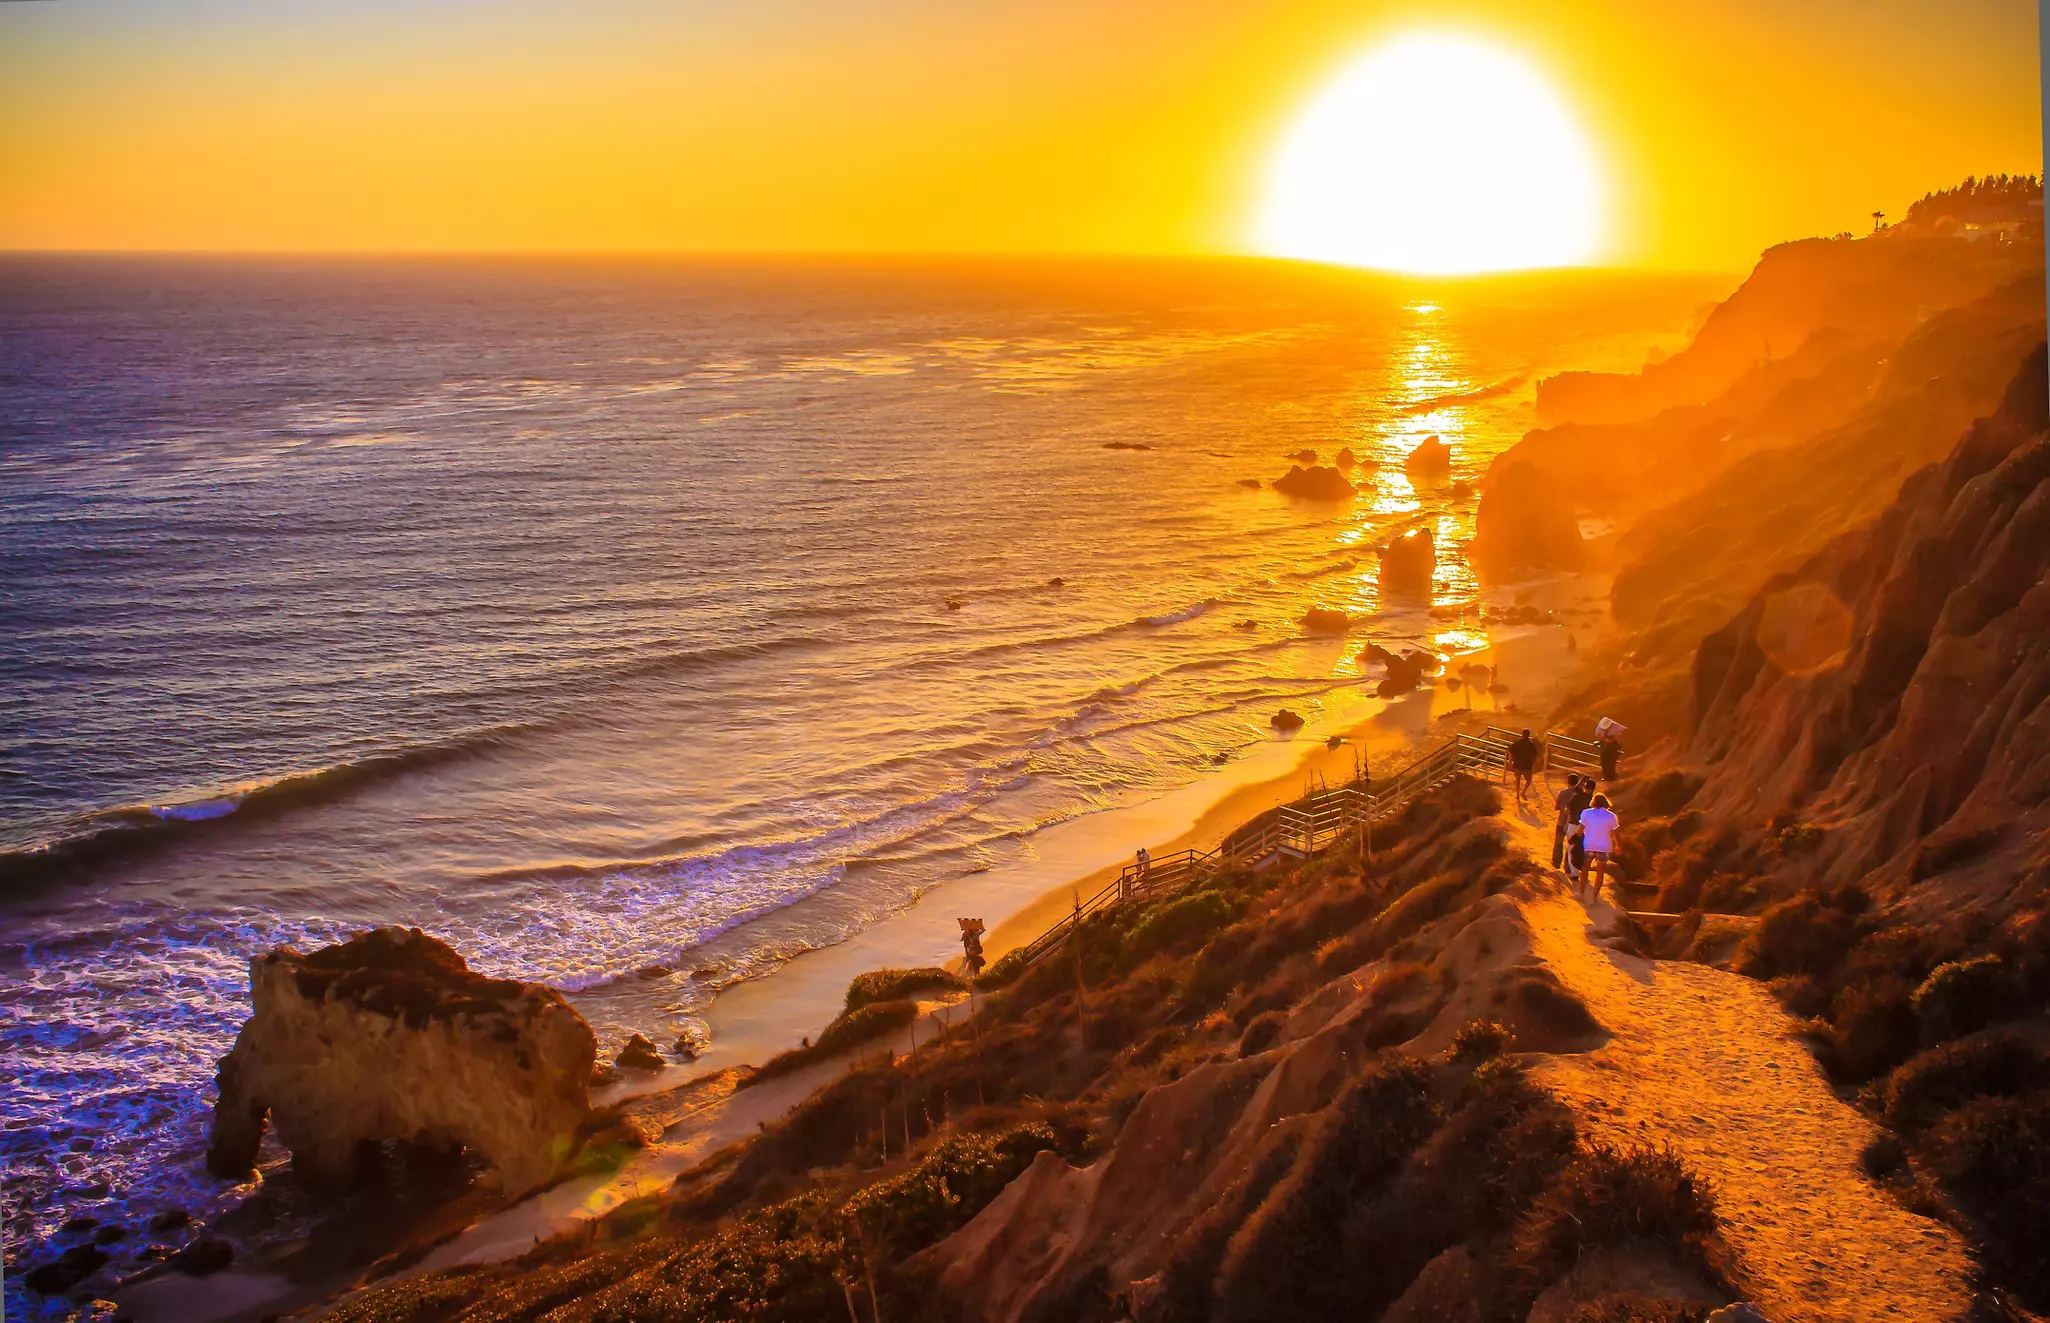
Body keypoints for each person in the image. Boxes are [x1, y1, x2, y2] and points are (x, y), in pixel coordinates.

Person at [1579, 793, 1620, 900]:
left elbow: (1580, 830)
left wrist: (1575, 839)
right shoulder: (1611, 816)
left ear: (1594, 802)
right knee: (1600, 872)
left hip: (1589, 844)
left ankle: (1581, 893)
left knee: (1585, 868)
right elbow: (1615, 833)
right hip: (1604, 846)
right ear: (1606, 803)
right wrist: (1618, 846)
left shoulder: (1586, 813)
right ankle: (1594, 898)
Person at [1550, 774, 1581, 868]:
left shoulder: (1562, 793)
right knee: (1570, 845)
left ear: (1568, 782)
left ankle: (1556, 863)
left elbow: (1556, 807)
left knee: (1558, 843)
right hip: (1573, 823)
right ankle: (1568, 867)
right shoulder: (1579, 795)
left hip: (1561, 822)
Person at [1508, 728, 1540, 804]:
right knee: (1528, 780)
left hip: (1518, 764)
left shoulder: (1518, 742)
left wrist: (1511, 761)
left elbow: (1511, 751)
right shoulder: (1531, 744)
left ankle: (1517, 794)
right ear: (1529, 735)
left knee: (1518, 779)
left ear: (1522, 734)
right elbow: (1535, 755)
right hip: (1527, 765)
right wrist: (1534, 763)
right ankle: (1523, 792)